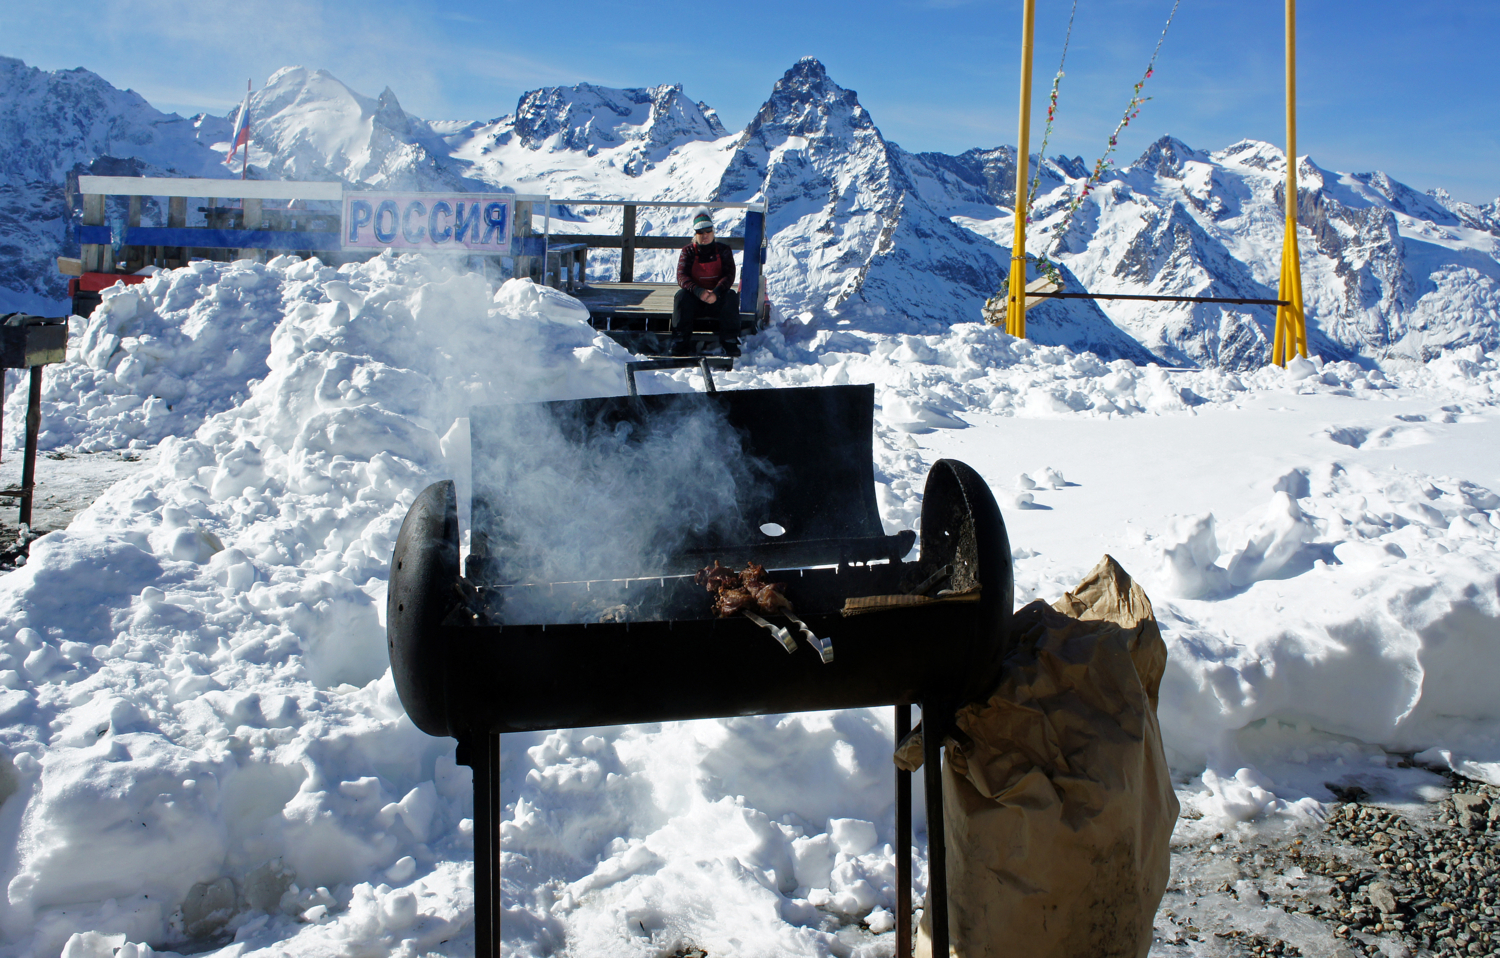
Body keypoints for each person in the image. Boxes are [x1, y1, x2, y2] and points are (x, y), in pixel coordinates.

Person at [671, 207, 741, 357]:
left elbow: (729, 275)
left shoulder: (724, 250)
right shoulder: (688, 251)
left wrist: (716, 293)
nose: (705, 235)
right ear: (695, 234)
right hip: (696, 298)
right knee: (681, 297)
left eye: (708, 231)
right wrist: (699, 291)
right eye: (700, 232)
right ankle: (680, 341)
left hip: (718, 296)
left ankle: (730, 340)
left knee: (731, 296)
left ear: (713, 231)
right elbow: (682, 277)